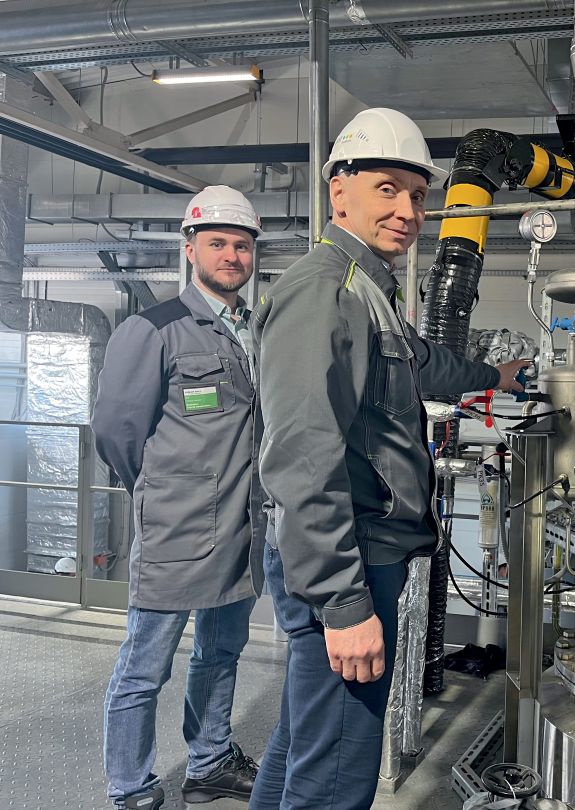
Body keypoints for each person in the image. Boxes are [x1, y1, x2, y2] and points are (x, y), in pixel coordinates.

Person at [250, 107, 529, 810]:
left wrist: (494, 377)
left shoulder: (367, 288)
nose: (407, 211)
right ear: (338, 192)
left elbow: (422, 362)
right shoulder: (324, 291)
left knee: (307, 736)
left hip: (355, 550)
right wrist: (345, 604)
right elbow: (302, 457)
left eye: (417, 195)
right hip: (348, 555)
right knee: (338, 771)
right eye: (387, 189)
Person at [92, 185, 266, 810]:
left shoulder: (255, 330)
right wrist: (161, 492)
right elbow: (115, 432)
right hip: (175, 529)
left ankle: (210, 761)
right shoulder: (154, 328)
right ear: (190, 248)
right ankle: (130, 787)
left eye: (241, 245)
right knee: (145, 666)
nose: (231, 256)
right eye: (218, 243)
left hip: (242, 527)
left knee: (222, 653)